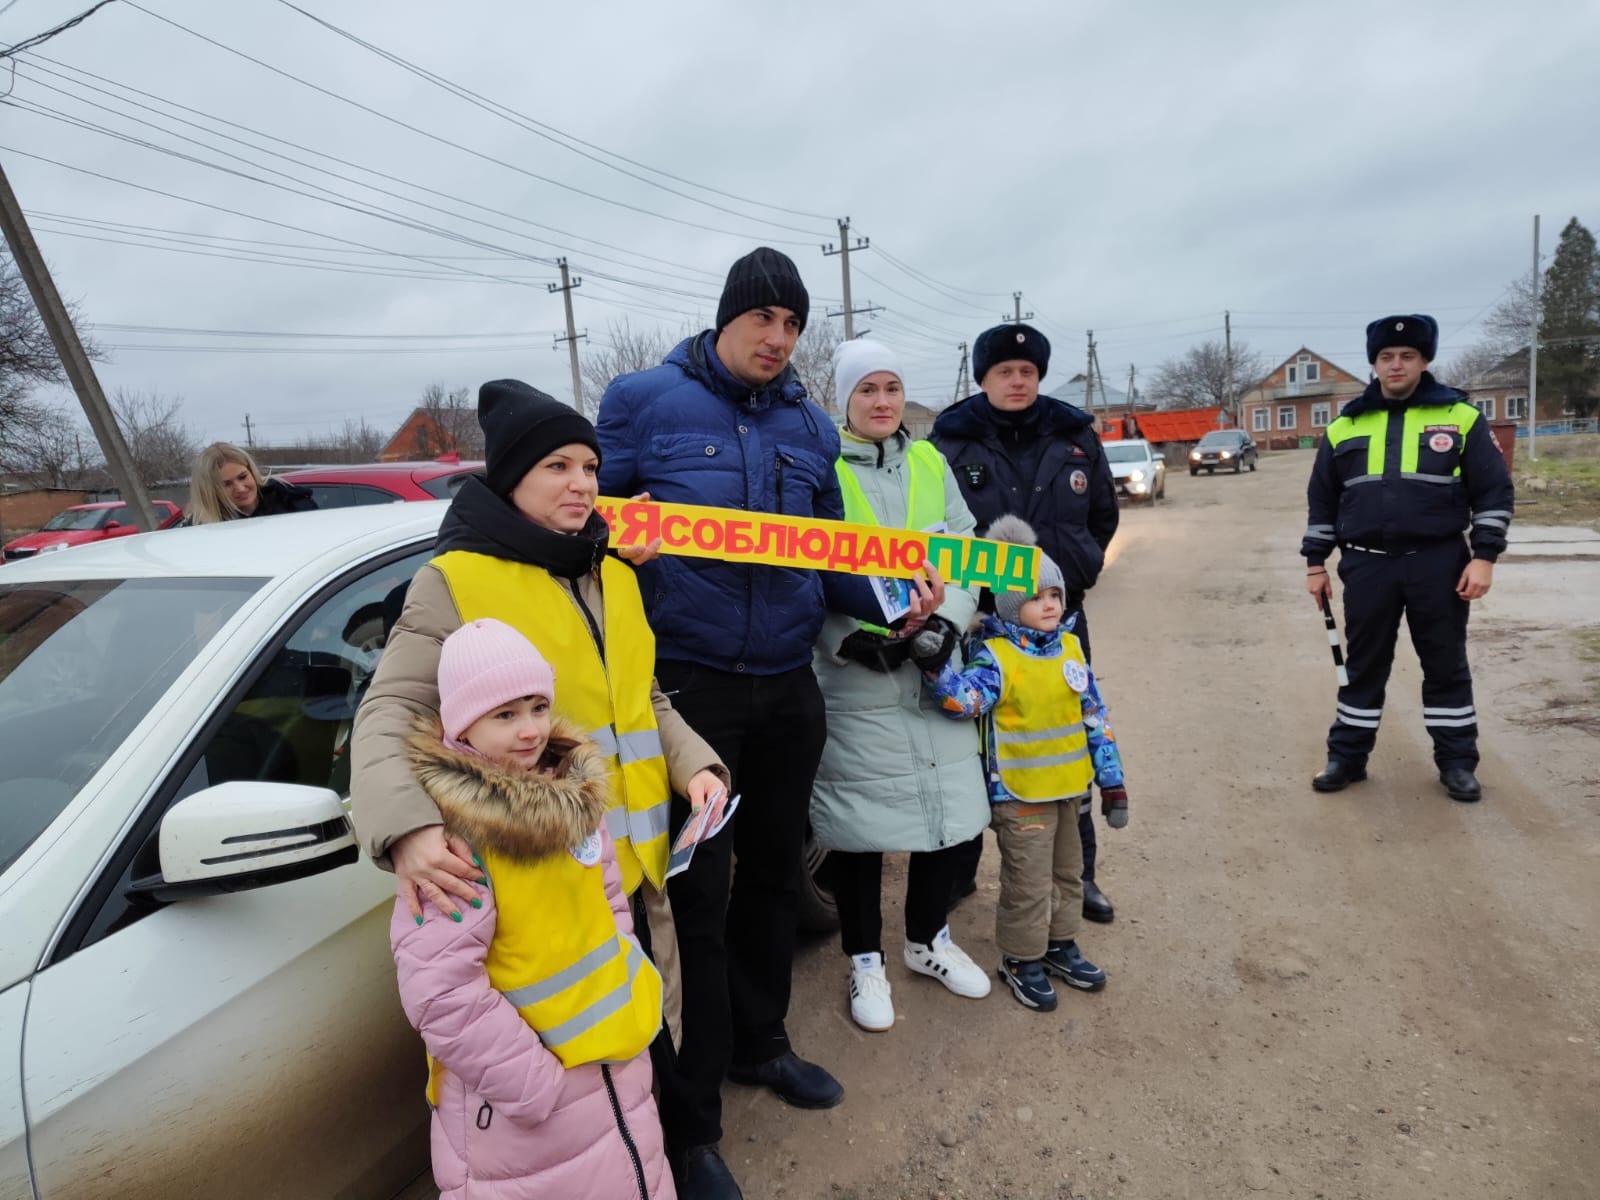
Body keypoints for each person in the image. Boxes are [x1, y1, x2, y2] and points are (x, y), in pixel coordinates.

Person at [597, 248, 894, 1200]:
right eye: (764, 318)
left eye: (794, 323)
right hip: (687, 690)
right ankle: (692, 1124)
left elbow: (833, 550)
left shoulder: (812, 422)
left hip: (785, 684)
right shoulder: (643, 401)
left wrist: (898, 599)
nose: (779, 338)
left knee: (773, 876)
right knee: (694, 902)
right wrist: (623, 547)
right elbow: (588, 524)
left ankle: (763, 1044)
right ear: (726, 318)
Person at [351, 381, 728, 1109]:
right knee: (583, 1060)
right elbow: (391, 706)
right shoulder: (453, 580)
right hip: (548, 877)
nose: (582, 483)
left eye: (590, 467)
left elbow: (640, 696)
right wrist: (404, 827)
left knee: (657, 1022)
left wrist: (697, 765)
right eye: (558, 466)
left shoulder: (610, 571)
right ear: (511, 478)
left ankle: (684, 1148)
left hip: (639, 869)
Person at [391, 618, 675, 1199]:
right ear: (461, 724)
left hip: (615, 1072)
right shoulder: (454, 841)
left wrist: (630, 977)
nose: (530, 731)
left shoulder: (572, 799)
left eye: (538, 707)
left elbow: (610, 902)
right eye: (505, 715)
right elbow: (441, 991)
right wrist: (535, 1089)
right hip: (527, 1115)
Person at [810, 339, 992, 1033]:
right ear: (845, 400)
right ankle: (865, 961)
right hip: (857, 672)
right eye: (867, 391)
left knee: (942, 819)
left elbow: (967, 546)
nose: (883, 402)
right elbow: (804, 561)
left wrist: (944, 624)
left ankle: (928, 942)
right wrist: (854, 636)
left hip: (931, 667)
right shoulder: (821, 467)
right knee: (859, 830)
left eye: (891, 388)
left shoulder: (928, 461)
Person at [930, 323, 1121, 923]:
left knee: (1064, 734)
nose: (1017, 381)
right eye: (1004, 372)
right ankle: (959, 873)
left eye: (1027, 372)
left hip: (1056, 623)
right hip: (979, 621)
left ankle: (1078, 876)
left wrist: (1076, 574)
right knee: (967, 742)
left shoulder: (1075, 439)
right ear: (982, 378)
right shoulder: (950, 445)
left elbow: (1103, 517)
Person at [1301, 315, 1514, 803]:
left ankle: (1457, 763)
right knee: (1364, 666)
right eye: (1386, 357)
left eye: (1407, 356)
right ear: (1374, 363)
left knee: (1444, 664)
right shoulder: (1344, 425)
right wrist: (1316, 563)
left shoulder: (1461, 418)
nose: (1395, 365)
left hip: (1437, 562)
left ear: (1424, 361)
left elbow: (1494, 492)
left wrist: (1484, 557)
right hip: (1367, 565)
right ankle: (1347, 759)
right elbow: (1323, 502)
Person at [921, 516, 1129, 1011]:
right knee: (1028, 883)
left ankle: (1060, 945)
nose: (1051, 604)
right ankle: (1021, 958)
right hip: (1019, 796)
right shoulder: (996, 657)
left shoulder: (1072, 650)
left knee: (1068, 875)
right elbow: (965, 701)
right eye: (1037, 597)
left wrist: (1113, 783)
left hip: (1068, 791)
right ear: (1013, 606)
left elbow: (1095, 720)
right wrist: (934, 666)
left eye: (1055, 594)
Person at [187, 442, 317, 523]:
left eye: (242, 477)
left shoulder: (295, 505)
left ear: (252, 472)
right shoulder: (198, 530)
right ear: (209, 491)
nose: (240, 488)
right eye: (226, 484)